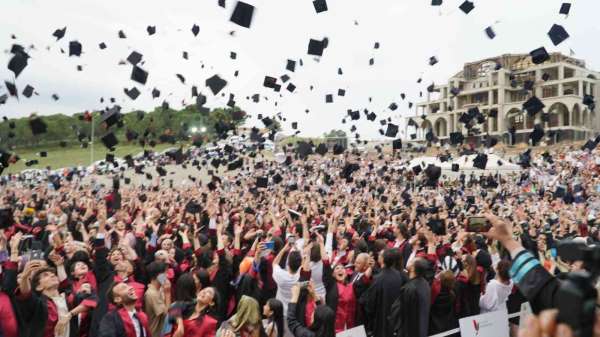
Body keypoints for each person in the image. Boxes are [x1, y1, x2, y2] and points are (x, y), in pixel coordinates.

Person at [361, 248, 407, 337]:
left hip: (381, 320)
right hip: (395, 318)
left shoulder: (378, 279)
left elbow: (370, 304)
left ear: (382, 259)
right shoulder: (398, 275)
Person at [390, 257, 432, 337]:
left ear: (413, 268)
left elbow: (397, 312)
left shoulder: (409, 288)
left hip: (409, 331)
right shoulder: (426, 284)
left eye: (411, 261)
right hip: (422, 329)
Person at [272, 241, 302, 316]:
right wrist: (298, 251)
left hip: (280, 309)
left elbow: (274, 263)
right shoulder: (301, 277)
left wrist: (284, 249)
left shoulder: (281, 275)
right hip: (294, 310)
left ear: (288, 264)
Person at [144, 262, 172, 337]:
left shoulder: (159, 289)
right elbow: (167, 315)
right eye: (165, 273)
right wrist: (168, 293)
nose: (167, 276)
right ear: (158, 276)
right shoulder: (152, 294)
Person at [429, 270, 458, 335]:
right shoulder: (453, 295)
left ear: (441, 280)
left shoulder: (435, 295)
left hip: (434, 328)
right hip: (447, 327)